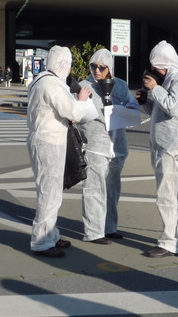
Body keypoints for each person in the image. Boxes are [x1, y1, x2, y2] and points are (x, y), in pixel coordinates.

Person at [26, 45, 92, 258]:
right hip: (49, 142)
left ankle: (51, 234)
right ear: (63, 65)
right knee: (50, 193)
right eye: (69, 65)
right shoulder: (52, 84)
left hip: (42, 139)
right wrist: (82, 99)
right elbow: (72, 112)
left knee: (48, 190)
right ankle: (42, 242)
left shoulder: (40, 80)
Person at [136, 41, 178, 257]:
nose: (155, 71)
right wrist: (145, 100)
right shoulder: (172, 79)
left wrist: (155, 89)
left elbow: (172, 107)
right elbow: (159, 111)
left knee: (167, 195)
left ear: (167, 62)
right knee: (174, 194)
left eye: (157, 66)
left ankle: (168, 242)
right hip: (165, 143)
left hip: (173, 144)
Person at [78, 49, 139, 245]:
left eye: (101, 67)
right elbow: (76, 113)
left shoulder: (120, 85)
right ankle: (93, 231)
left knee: (112, 189)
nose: (97, 70)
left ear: (109, 68)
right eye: (93, 66)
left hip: (117, 145)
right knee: (94, 188)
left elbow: (133, 108)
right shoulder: (84, 86)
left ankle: (109, 227)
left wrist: (127, 109)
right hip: (95, 143)